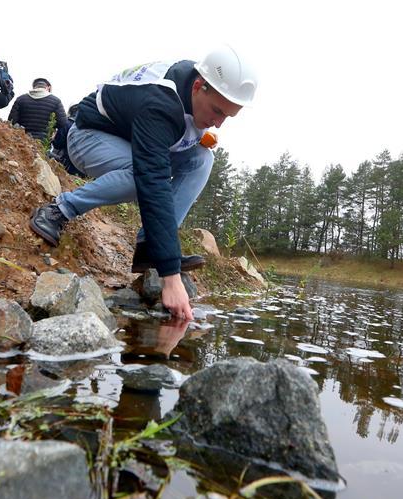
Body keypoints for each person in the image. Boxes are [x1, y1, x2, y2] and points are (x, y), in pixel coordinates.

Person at [28, 46, 257, 321]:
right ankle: (58, 210)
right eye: (217, 111)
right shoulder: (161, 102)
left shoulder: (194, 89)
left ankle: (149, 246)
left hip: (129, 139)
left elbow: (171, 140)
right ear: (198, 86)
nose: (218, 123)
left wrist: (194, 136)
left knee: (201, 160)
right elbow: (153, 181)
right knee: (142, 176)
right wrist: (171, 276)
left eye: (227, 117)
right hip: (87, 136)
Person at [49, 104, 83, 176]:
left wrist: (52, 139)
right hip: (85, 169)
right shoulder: (90, 127)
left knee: (46, 154)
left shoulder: (66, 124)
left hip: (67, 164)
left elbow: (57, 145)